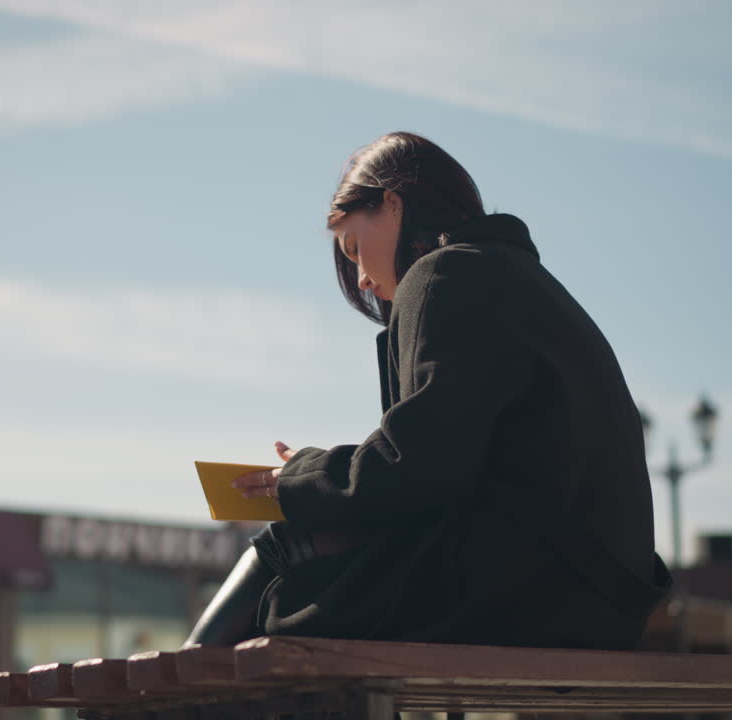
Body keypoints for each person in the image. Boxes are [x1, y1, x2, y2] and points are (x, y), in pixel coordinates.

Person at [183, 131, 671, 650]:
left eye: (354, 247)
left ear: (393, 204)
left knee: (284, 556)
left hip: (534, 591)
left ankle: (166, 694)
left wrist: (298, 476)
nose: (361, 278)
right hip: (597, 600)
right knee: (306, 573)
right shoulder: (514, 276)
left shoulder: (446, 272)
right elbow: (445, 469)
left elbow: (418, 469)